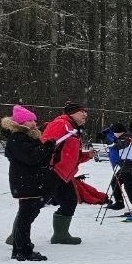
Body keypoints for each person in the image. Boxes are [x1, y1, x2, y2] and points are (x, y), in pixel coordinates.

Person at [3, 105, 57, 261]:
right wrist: (46, 148)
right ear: (20, 123)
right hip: (25, 183)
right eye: (30, 121)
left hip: (30, 182)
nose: (34, 123)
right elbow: (31, 157)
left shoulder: (26, 137)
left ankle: (21, 249)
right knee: (25, 217)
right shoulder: (17, 138)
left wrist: (48, 149)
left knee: (27, 215)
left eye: (34, 120)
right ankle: (22, 250)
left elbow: (38, 158)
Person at [38, 101, 95, 244]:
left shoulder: (74, 129)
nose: (85, 114)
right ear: (72, 113)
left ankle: (60, 235)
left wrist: (87, 155)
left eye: (85, 112)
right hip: (52, 172)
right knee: (34, 204)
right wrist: (45, 166)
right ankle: (17, 236)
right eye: (81, 111)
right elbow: (44, 146)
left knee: (69, 202)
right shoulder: (61, 124)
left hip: (65, 176)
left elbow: (72, 157)